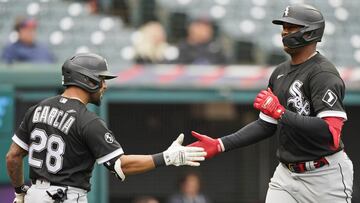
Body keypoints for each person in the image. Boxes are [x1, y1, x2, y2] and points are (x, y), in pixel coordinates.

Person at [188, 4, 353, 203]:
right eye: (284, 27)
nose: (285, 32)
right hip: (286, 174)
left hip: (324, 175)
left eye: (292, 27)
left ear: (310, 32)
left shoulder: (323, 73)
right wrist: (221, 144)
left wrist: (281, 113)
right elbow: (266, 125)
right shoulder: (279, 73)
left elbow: (331, 133)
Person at [5, 53, 206, 203]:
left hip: (34, 196)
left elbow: (13, 156)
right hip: (66, 197)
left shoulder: (37, 109)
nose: (104, 86)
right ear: (87, 80)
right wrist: (167, 157)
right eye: (101, 79)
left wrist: (20, 190)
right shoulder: (87, 120)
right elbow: (121, 165)